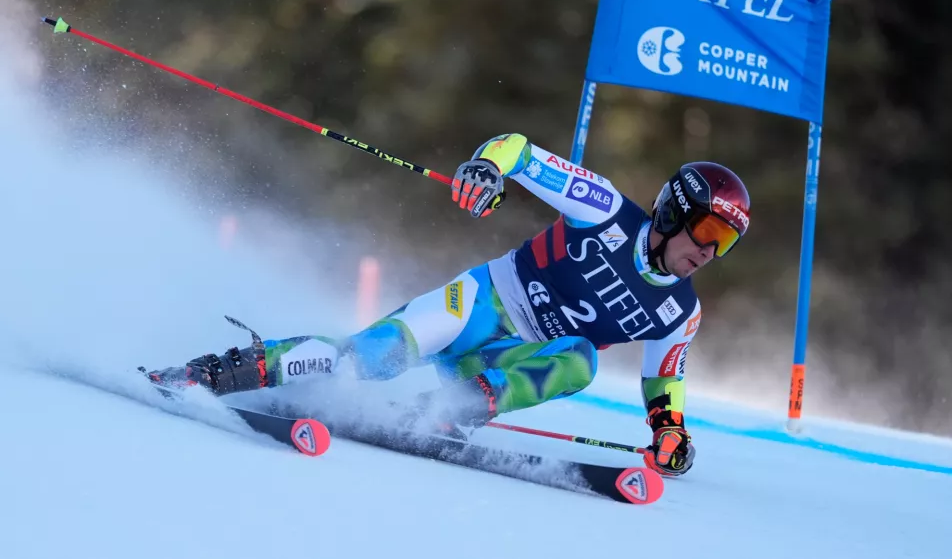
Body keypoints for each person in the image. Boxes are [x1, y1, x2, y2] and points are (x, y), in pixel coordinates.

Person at [149, 133, 751, 477]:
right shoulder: (604, 208)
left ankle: (447, 410)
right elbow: (518, 150)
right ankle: (218, 371)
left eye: (723, 245)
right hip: (483, 303)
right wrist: (488, 169)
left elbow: (664, 381)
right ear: (673, 211)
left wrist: (669, 433)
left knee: (580, 360)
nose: (709, 252)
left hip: (503, 363)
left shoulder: (681, 313)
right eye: (706, 233)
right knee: (373, 356)